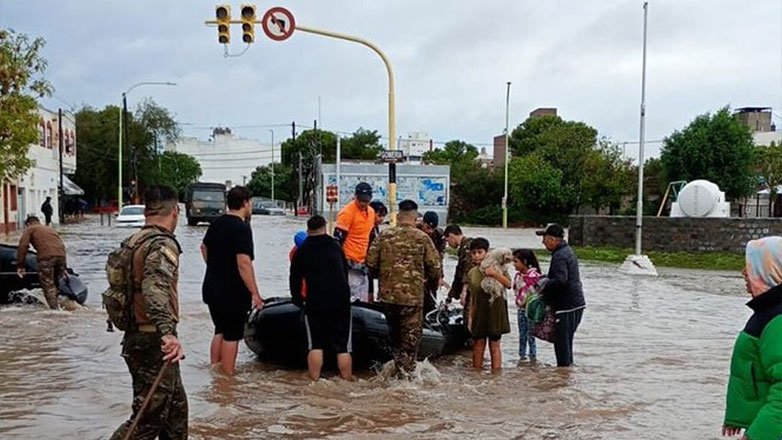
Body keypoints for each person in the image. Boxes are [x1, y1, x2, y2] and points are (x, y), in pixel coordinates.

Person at [110, 184, 187, 440]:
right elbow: (154, 290)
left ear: (146, 212)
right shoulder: (162, 244)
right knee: (147, 419)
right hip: (153, 339)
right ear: (175, 211)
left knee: (175, 412)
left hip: (140, 336)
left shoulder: (133, 242)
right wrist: (168, 334)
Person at [366, 199, 440, 376]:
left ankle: (394, 375)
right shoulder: (423, 238)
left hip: (388, 299)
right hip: (412, 301)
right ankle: (405, 384)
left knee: (395, 341)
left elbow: (370, 264)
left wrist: (383, 278)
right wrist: (429, 285)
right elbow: (435, 268)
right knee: (410, 345)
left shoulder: (384, 236)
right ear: (416, 218)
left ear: (398, 216)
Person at [723, 237, 782, 440]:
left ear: (770, 268)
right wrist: (739, 417)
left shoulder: (778, 317)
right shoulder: (767, 310)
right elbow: (754, 371)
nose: (744, 272)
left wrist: (756, 435)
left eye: (750, 265)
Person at [201, 186, 263, 375]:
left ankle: (215, 370)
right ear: (245, 203)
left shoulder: (217, 223)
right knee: (232, 335)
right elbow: (243, 262)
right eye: (250, 202)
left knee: (219, 329)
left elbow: (203, 247)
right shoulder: (241, 228)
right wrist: (255, 293)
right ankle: (227, 378)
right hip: (232, 291)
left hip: (212, 287)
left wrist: (215, 266)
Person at [290, 215, 353, 381]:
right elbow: (345, 274)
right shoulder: (336, 246)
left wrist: (297, 300)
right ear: (325, 227)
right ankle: (347, 381)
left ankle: (314, 382)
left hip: (316, 300)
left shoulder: (302, 251)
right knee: (343, 346)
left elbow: (294, 279)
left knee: (316, 344)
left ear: (308, 229)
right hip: (340, 300)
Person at [537, 223, 586, 367]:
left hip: (567, 306)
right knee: (566, 343)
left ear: (552, 240)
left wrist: (543, 284)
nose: (543, 242)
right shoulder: (566, 251)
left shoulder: (559, 256)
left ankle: (563, 378)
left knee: (562, 345)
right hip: (575, 304)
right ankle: (566, 376)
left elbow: (560, 280)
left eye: (544, 239)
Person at [465, 238, 511, 371]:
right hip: (479, 312)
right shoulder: (472, 273)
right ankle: (476, 375)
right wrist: (470, 316)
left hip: (496, 311)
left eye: (479, 252)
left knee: (494, 344)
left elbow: (508, 284)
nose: (476, 256)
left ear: (487, 252)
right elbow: (473, 296)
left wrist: (494, 274)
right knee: (478, 345)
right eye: (473, 253)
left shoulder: (499, 267)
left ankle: (496, 375)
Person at [334, 182, 376, 303]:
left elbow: (371, 236)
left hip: (363, 262)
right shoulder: (347, 213)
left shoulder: (371, 212)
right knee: (352, 298)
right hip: (349, 261)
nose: (363, 204)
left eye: (366, 201)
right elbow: (337, 241)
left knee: (363, 298)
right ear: (355, 196)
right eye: (361, 200)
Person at [16, 215, 67, 309]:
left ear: (28, 224)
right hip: (61, 257)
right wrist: (65, 267)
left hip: (46, 258)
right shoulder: (50, 229)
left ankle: (55, 311)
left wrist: (20, 265)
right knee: (57, 283)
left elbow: (23, 247)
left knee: (48, 285)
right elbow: (61, 245)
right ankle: (63, 305)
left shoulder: (30, 229)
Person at [512, 249, 541, 361]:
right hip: (521, 309)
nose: (514, 264)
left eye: (516, 261)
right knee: (522, 335)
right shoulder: (518, 276)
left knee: (531, 336)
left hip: (531, 311)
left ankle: (532, 357)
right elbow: (516, 291)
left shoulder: (534, 276)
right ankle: (522, 357)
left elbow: (537, 294)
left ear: (524, 261)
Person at [417, 211, 447, 315]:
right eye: (427, 228)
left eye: (432, 228)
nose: (430, 231)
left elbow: (439, 257)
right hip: (416, 270)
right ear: (422, 223)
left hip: (431, 270)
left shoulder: (439, 234)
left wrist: (439, 276)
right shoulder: (415, 230)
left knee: (430, 299)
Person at [443, 224, 474, 304]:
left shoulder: (467, 247)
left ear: (451, 236)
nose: (448, 244)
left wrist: (464, 291)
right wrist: (451, 295)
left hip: (471, 290)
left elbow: (468, 270)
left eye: (447, 240)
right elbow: (458, 274)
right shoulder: (465, 247)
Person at [367, 201, 388, 301]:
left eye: (383, 216)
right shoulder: (367, 227)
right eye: (379, 215)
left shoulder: (375, 227)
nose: (381, 219)